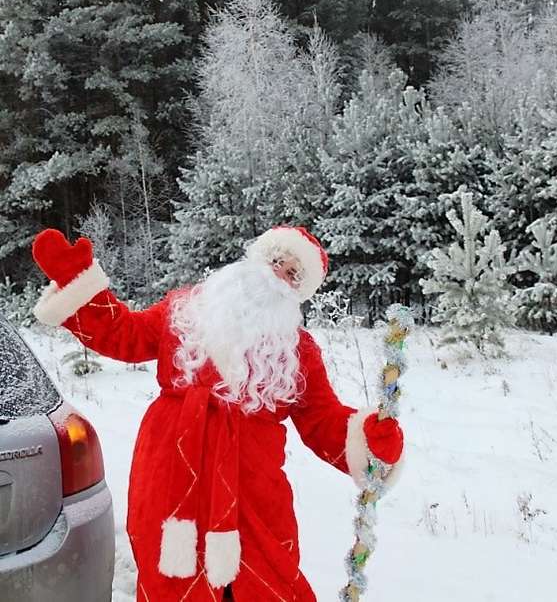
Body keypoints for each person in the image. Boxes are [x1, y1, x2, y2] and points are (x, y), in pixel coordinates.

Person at [31, 225, 404, 602]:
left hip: (254, 497)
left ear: (298, 293)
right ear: (255, 261)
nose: (277, 276)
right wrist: (77, 281)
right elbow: (123, 335)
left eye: (292, 274)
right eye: (276, 262)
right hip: (171, 479)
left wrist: (368, 439)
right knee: (171, 581)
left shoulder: (299, 351)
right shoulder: (184, 311)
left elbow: (323, 421)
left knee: (266, 583)